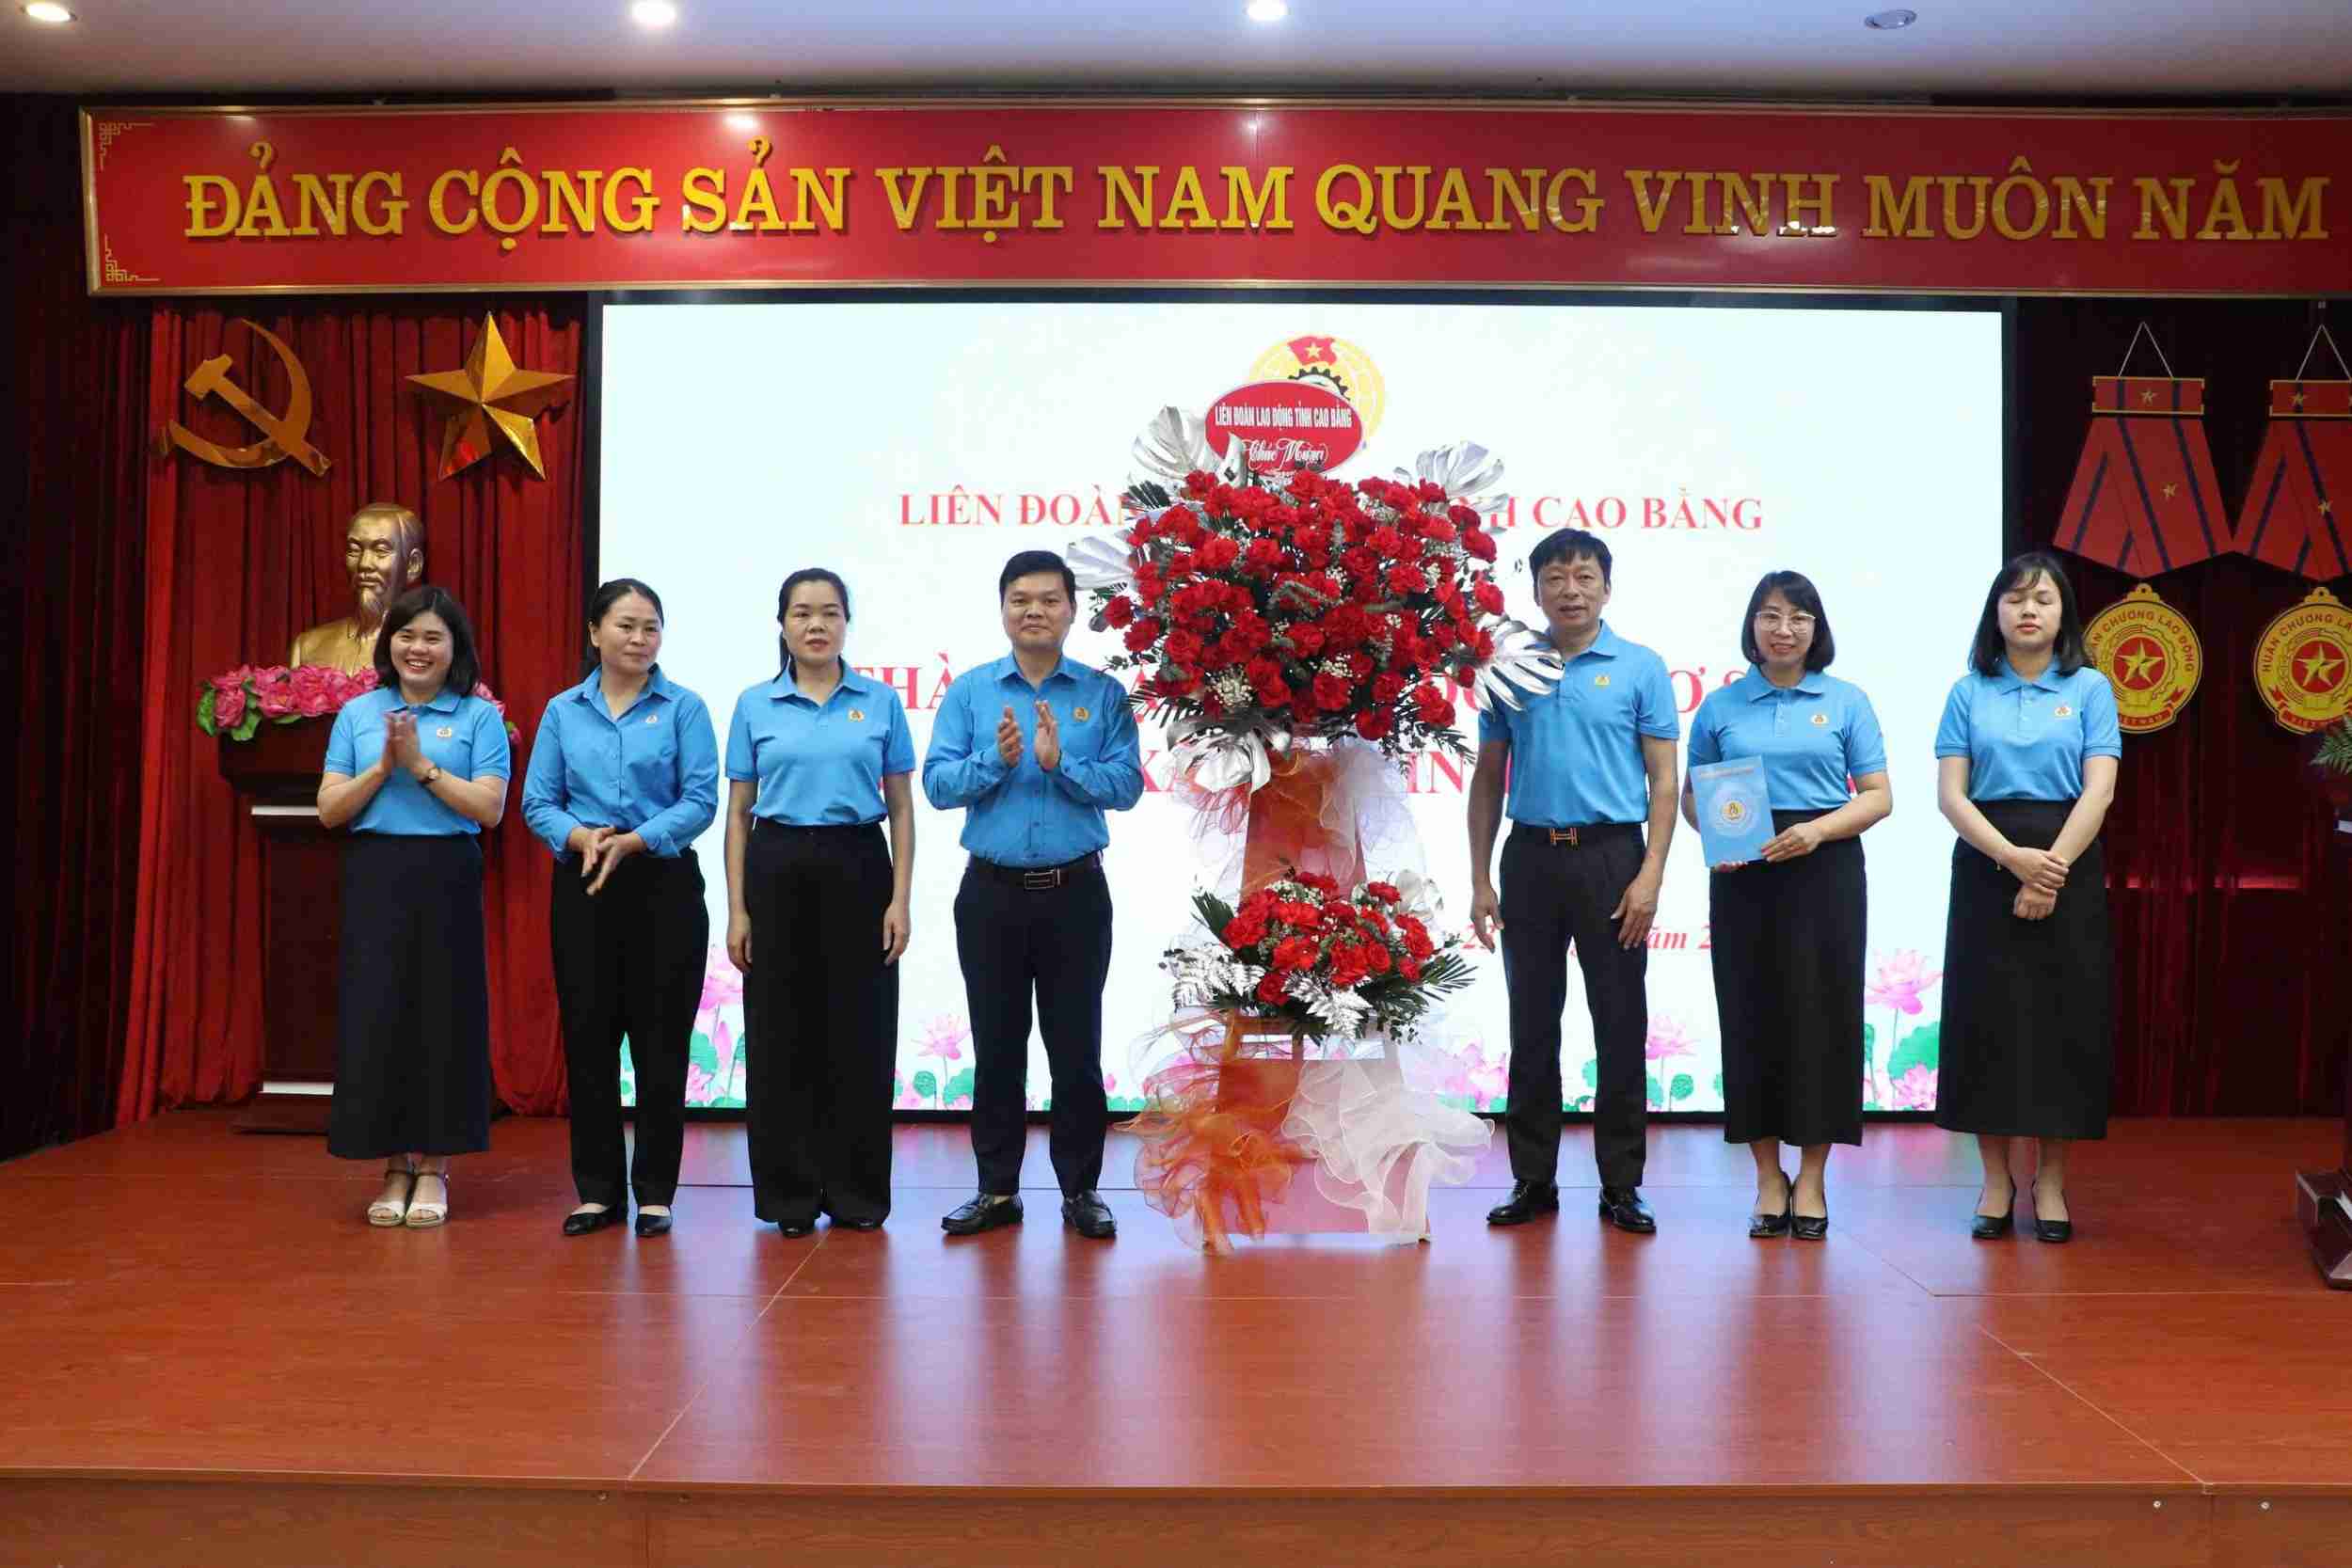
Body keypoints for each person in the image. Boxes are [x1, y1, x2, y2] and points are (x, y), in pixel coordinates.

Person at [922, 549, 1143, 1241]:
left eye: (1049, 599)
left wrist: (1061, 764)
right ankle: (996, 1190)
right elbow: (936, 784)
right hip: (991, 896)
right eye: (1021, 599)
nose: (1035, 611)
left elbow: (1128, 786)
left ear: (1073, 609)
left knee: (1076, 1046)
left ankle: (1081, 1190)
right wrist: (999, 761)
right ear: (1003, 609)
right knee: (997, 1044)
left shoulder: (1103, 694)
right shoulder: (971, 692)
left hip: (1076, 893)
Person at [1469, 530, 1680, 1233]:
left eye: (1584, 576)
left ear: (1607, 587)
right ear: (1534, 590)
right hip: (1528, 858)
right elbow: (1487, 779)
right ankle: (1534, 1179)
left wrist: (1650, 873)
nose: (1570, 589)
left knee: (1620, 1023)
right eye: (1555, 577)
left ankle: (1622, 1183)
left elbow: (1663, 781)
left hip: (1611, 858)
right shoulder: (1507, 670)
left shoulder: (1640, 667)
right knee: (1532, 1023)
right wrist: (1479, 877)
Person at [1682, 571, 1891, 1241]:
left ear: (1816, 628)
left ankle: (1813, 1179)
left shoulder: (1847, 700)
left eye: (1798, 617)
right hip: (1745, 876)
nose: (1783, 628)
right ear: (1751, 626)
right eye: (1770, 616)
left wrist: (1819, 829)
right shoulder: (1721, 706)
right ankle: (1768, 1179)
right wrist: (1716, 837)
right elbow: (1692, 796)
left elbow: (1878, 796)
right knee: (1751, 1016)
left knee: (1821, 1018)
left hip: (1824, 871)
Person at [521, 578, 719, 1239]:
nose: (639, 639)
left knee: (662, 1043)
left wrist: (634, 840)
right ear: (594, 632)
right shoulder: (562, 711)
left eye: (651, 627)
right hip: (585, 887)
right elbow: (538, 801)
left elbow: (699, 801)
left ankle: (657, 1191)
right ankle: (598, 1191)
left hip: (661, 883)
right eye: (627, 626)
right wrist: (581, 838)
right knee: (589, 1040)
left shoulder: (684, 707)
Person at [1934, 551, 2120, 1244]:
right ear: (1996, 613)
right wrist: (2013, 860)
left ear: (2063, 612)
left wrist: (2049, 871)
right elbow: (1952, 794)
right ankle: (1994, 1179)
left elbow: (2098, 788)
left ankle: (2050, 1181)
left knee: (2059, 1022)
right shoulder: (1967, 690)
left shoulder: (2091, 688)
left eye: (2042, 599)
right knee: (1991, 1023)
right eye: (2014, 600)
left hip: (2067, 857)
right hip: (1988, 859)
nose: (2029, 610)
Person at [723, 569, 914, 1238]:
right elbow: (739, 811)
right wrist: (738, 909)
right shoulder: (755, 704)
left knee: (860, 1036)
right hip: (776, 869)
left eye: (830, 613)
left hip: (860, 866)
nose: (815, 625)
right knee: (780, 1037)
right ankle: (790, 1197)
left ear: (846, 623)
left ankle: (857, 1193)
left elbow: (900, 809)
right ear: (781, 624)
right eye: (801, 613)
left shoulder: (881, 701)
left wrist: (900, 899)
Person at [316, 585, 511, 1228]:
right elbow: (329, 809)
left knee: (442, 1018)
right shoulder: (359, 712)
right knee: (380, 1014)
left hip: (446, 873)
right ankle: (393, 1165)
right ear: (388, 643)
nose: (417, 648)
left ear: (454, 647)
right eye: (406, 635)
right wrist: (382, 767)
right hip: (377, 873)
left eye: (432, 637)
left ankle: (434, 1167)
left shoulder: (478, 716)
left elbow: (489, 808)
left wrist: (422, 765)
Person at [292, 501, 426, 674]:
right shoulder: (308, 646)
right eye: (354, 550)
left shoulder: (430, 650)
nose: (364, 564)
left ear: (412, 565)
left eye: (381, 550)